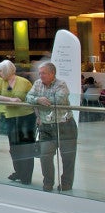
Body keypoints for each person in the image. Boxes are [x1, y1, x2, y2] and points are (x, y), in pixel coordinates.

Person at [26, 61, 77, 192]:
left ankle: (66, 184)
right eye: (40, 73)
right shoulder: (37, 83)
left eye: (43, 73)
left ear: (52, 73)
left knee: (68, 157)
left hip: (65, 126)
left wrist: (40, 99)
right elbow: (28, 97)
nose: (40, 75)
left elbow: (58, 100)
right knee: (45, 156)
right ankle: (48, 183)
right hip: (46, 127)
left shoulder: (61, 85)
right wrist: (38, 100)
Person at [0, 60, 35, 185]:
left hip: (26, 117)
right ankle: (19, 171)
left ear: (6, 70)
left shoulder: (24, 82)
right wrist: (10, 99)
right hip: (10, 117)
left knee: (26, 147)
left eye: (0, 71)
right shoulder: (2, 81)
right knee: (14, 147)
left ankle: (26, 176)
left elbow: (32, 97)